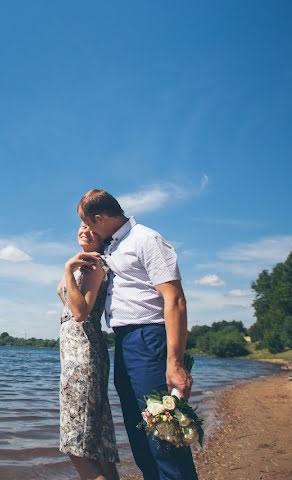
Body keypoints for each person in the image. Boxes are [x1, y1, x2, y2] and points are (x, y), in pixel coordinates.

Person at [78, 188, 198, 480]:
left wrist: (175, 362)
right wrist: (89, 245)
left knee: (164, 434)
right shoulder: (112, 245)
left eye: (86, 223)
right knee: (140, 433)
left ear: (100, 217)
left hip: (149, 338)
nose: (84, 229)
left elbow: (175, 300)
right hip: (125, 342)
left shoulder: (146, 239)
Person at [57, 222, 120, 480]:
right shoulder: (84, 263)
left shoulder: (95, 266)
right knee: (98, 440)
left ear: (103, 234)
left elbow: (81, 313)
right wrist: (71, 269)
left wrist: (67, 270)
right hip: (77, 350)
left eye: (92, 228)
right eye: (82, 226)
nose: (85, 231)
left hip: (83, 353)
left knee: (77, 443)